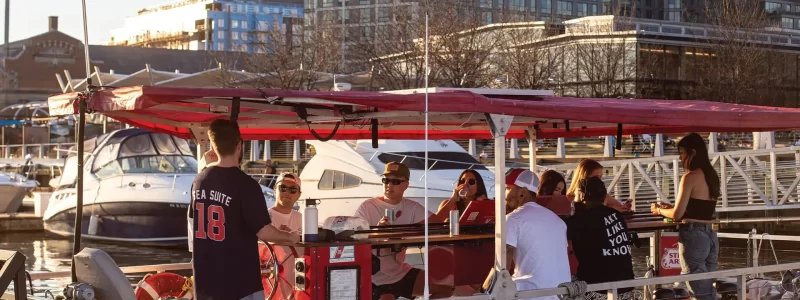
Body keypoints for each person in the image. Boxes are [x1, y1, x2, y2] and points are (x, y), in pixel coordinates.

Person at [190, 119, 301, 300]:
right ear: (239, 145)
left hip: (205, 284)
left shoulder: (199, 181)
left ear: (213, 145)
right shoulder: (246, 185)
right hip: (239, 285)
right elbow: (264, 231)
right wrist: (291, 237)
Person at [354, 162, 452, 300]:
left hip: (400, 272)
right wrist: (377, 232)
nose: (389, 185)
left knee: (446, 288)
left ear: (406, 184)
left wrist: (454, 199)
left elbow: (435, 222)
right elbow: (355, 237)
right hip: (372, 276)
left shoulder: (411, 207)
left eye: (395, 181)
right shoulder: (367, 207)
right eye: (386, 180)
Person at [482, 169, 571, 300]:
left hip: (532, 294)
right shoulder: (557, 220)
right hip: (560, 294)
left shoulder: (513, 219)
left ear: (522, 192)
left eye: (508, 188)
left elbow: (501, 268)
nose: (504, 194)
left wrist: (483, 290)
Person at [651, 133, 720, 300]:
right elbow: (701, 208)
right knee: (708, 288)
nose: (680, 158)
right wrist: (672, 208)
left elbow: (676, 214)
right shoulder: (712, 176)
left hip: (694, 235)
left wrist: (659, 210)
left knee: (698, 290)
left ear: (693, 153)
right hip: (710, 235)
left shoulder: (690, 177)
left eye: (682, 153)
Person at [567, 177, 636, 300]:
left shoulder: (581, 219)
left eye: (576, 194)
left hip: (598, 291)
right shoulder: (617, 215)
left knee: (564, 283)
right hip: (627, 289)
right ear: (603, 196)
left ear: (582, 195)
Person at [567, 159, 631, 212]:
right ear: (583, 178)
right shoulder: (569, 199)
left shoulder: (603, 196)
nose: (599, 180)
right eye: (596, 177)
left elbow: (618, 207)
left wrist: (624, 207)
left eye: (600, 177)